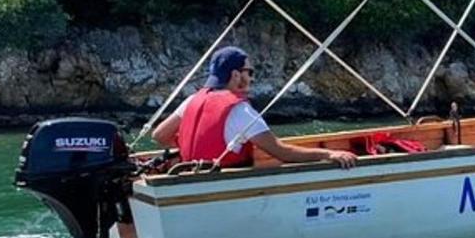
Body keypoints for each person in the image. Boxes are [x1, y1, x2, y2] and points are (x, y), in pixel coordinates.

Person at [152, 46, 356, 168]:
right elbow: (282, 153)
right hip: (223, 186)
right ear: (235, 75)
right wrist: (329, 154)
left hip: (188, 180)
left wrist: (194, 149)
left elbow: (159, 136)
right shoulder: (239, 110)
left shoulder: (192, 101)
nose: (250, 78)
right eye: (249, 72)